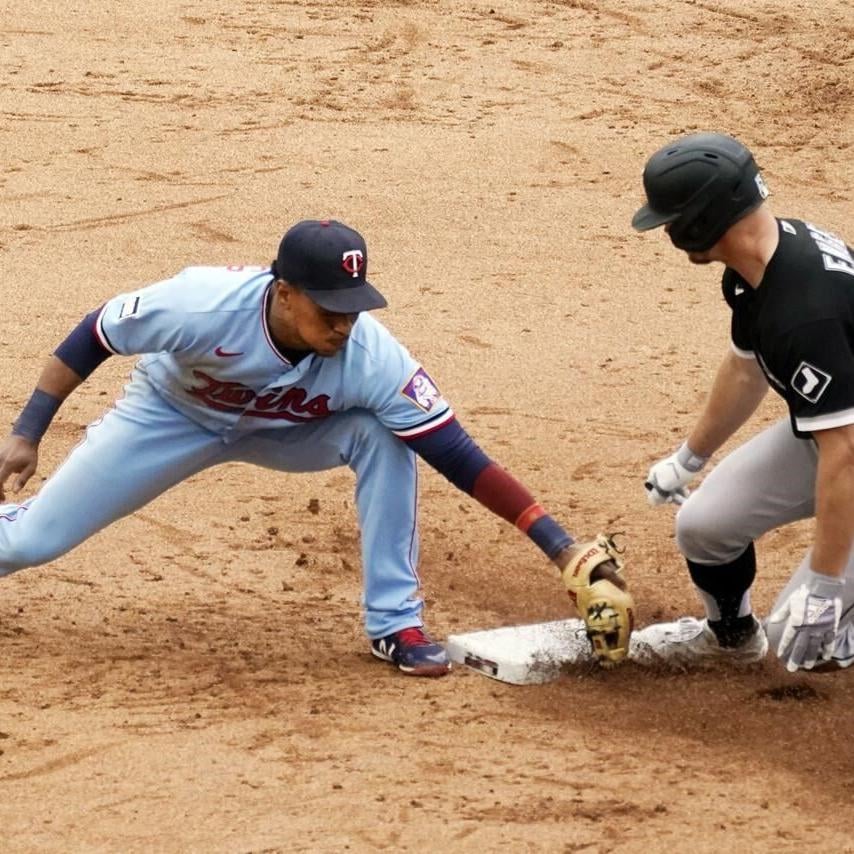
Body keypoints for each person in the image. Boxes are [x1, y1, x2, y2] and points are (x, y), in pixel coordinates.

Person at [0, 218, 626, 678]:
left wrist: (561, 547)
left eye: (353, 310)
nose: (343, 325)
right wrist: (28, 432)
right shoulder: (200, 304)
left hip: (287, 434)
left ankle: (395, 623)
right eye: (329, 310)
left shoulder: (372, 356)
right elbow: (95, 334)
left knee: (385, 434)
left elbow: (457, 453)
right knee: (32, 542)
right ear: (283, 291)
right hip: (169, 417)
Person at [631, 131, 854, 672]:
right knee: (705, 526)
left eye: (670, 219)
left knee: (802, 644)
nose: (667, 231)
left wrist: (825, 586)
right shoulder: (758, 268)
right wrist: (688, 459)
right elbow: (744, 369)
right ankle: (729, 639)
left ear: (702, 219)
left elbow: (844, 454)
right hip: (837, 437)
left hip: (846, 447)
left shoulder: (805, 313)